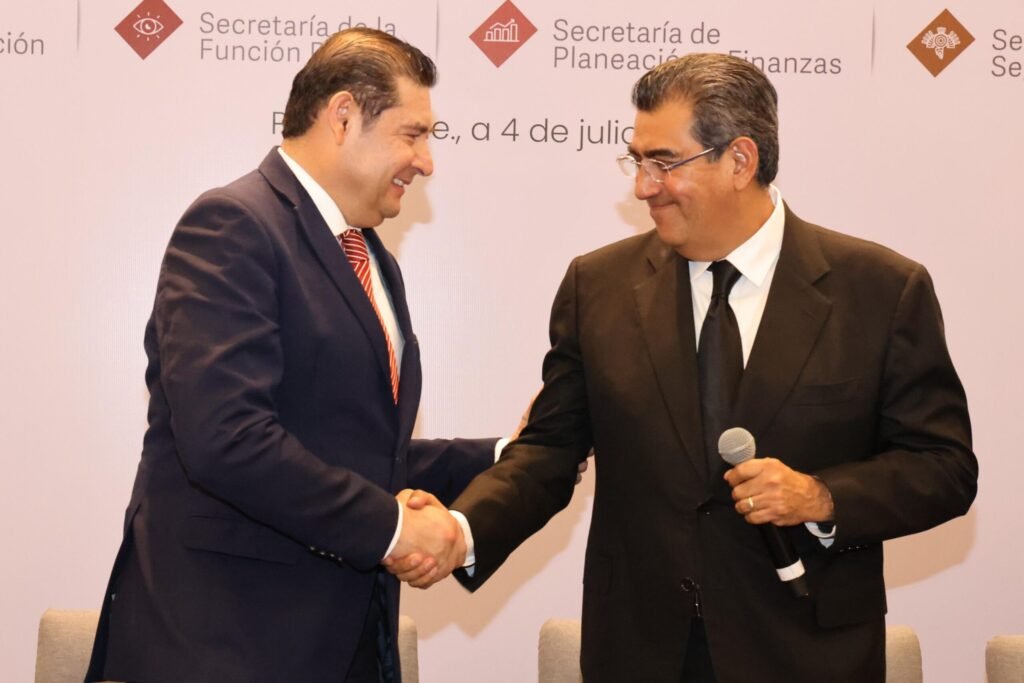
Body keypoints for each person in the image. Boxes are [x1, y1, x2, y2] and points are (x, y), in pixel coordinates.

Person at [389, 53, 978, 681]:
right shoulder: (598, 286)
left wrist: (822, 496)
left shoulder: (880, 290)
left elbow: (943, 467)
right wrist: (462, 530)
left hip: (807, 651)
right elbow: (549, 450)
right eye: (637, 162)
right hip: (642, 651)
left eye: (664, 163)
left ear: (740, 161)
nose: (643, 187)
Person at [84, 28, 499, 683]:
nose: (426, 162)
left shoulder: (374, 261)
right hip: (225, 647)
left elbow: (354, 451)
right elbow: (228, 439)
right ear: (343, 116)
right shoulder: (233, 225)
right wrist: (395, 528)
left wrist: (513, 454)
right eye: (414, 134)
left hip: (340, 644)